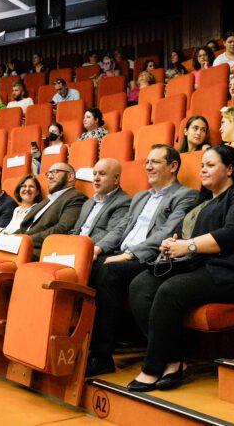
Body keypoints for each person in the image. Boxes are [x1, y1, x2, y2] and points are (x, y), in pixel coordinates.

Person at [125, 145, 234, 392]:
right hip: (203, 267)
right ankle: (174, 360)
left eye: (211, 165)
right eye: (202, 165)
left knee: (170, 290)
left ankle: (152, 367)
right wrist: (172, 244)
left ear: (230, 169)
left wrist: (188, 246)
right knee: (141, 285)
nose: (203, 170)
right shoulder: (203, 203)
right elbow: (183, 237)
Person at [84, 144, 197, 377]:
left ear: (173, 166)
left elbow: (167, 231)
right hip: (121, 253)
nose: (148, 166)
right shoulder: (140, 197)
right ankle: (88, 343)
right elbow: (121, 228)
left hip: (149, 258)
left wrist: (129, 255)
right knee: (88, 266)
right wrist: (97, 248)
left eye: (155, 162)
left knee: (107, 272)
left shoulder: (185, 195)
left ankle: (102, 356)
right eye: (147, 162)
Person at [15, 162, 87, 259]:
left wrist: (26, 240)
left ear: (70, 177)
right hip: (21, 245)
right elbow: (26, 228)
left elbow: (62, 229)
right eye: (48, 174)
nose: (49, 177)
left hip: (39, 250)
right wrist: (10, 237)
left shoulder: (76, 197)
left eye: (55, 172)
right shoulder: (46, 201)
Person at [69, 159, 131, 244]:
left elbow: (111, 234)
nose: (96, 179)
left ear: (116, 178)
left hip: (92, 247)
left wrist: (80, 244)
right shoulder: (88, 203)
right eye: (94, 174)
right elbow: (76, 230)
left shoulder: (123, 201)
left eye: (102, 174)